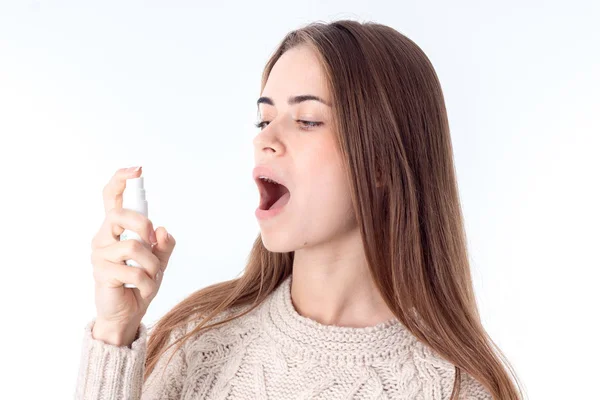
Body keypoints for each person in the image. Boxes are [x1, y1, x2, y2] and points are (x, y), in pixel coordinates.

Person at [75, 20, 524, 400]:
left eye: (307, 120)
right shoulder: (197, 342)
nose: (264, 139)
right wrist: (114, 334)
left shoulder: (456, 389)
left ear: (384, 162)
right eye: (264, 119)